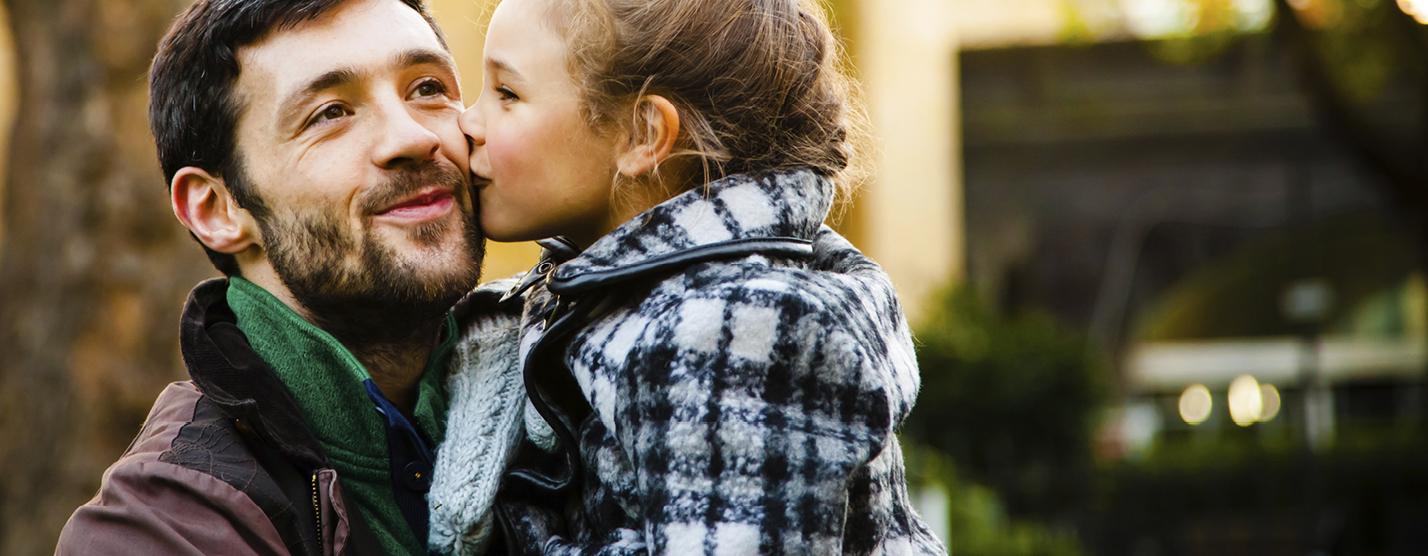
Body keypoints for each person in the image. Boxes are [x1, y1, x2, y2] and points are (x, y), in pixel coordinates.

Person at [425, 0, 948, 553]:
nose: (468, 121)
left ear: (642, 135)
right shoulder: (621, 289)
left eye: (507, 94)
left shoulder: (740, 327)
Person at [54, 0, 486, 554]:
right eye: (330, 113)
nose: (412, 137)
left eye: (427, 88)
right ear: (216, 209)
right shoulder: (160, 527)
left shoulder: (569, 393)